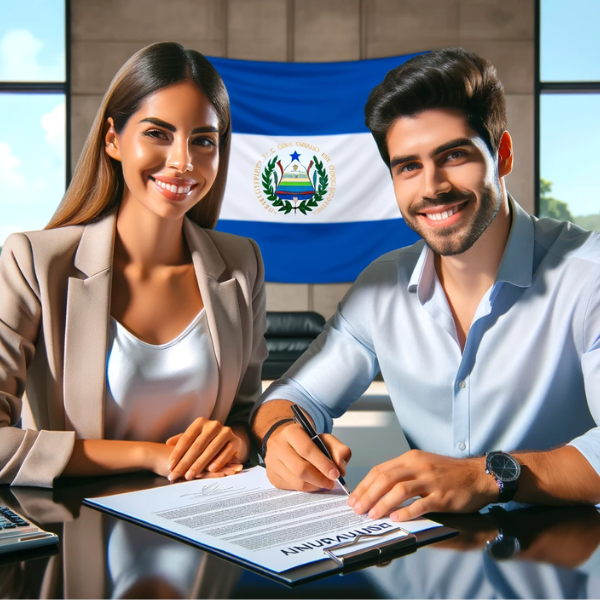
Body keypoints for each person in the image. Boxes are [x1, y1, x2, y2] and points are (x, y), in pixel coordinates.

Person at [251, 47, 600, 521]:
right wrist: (281, 436)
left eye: (453, 155)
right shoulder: (380, 289)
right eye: (408, 166)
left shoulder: (589, 274)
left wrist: (487, 475)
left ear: (503, 155)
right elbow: (291, 399)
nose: (432, 186)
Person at [0, 42, 267, 487]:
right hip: (84, 535)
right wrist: (150, 455)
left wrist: (235, 442)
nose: (183, 162)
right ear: (112, 140)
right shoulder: (33, 262)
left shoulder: (242, 264)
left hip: (211, 533)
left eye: (203, 140)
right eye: (158, 133)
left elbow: (245, 418)